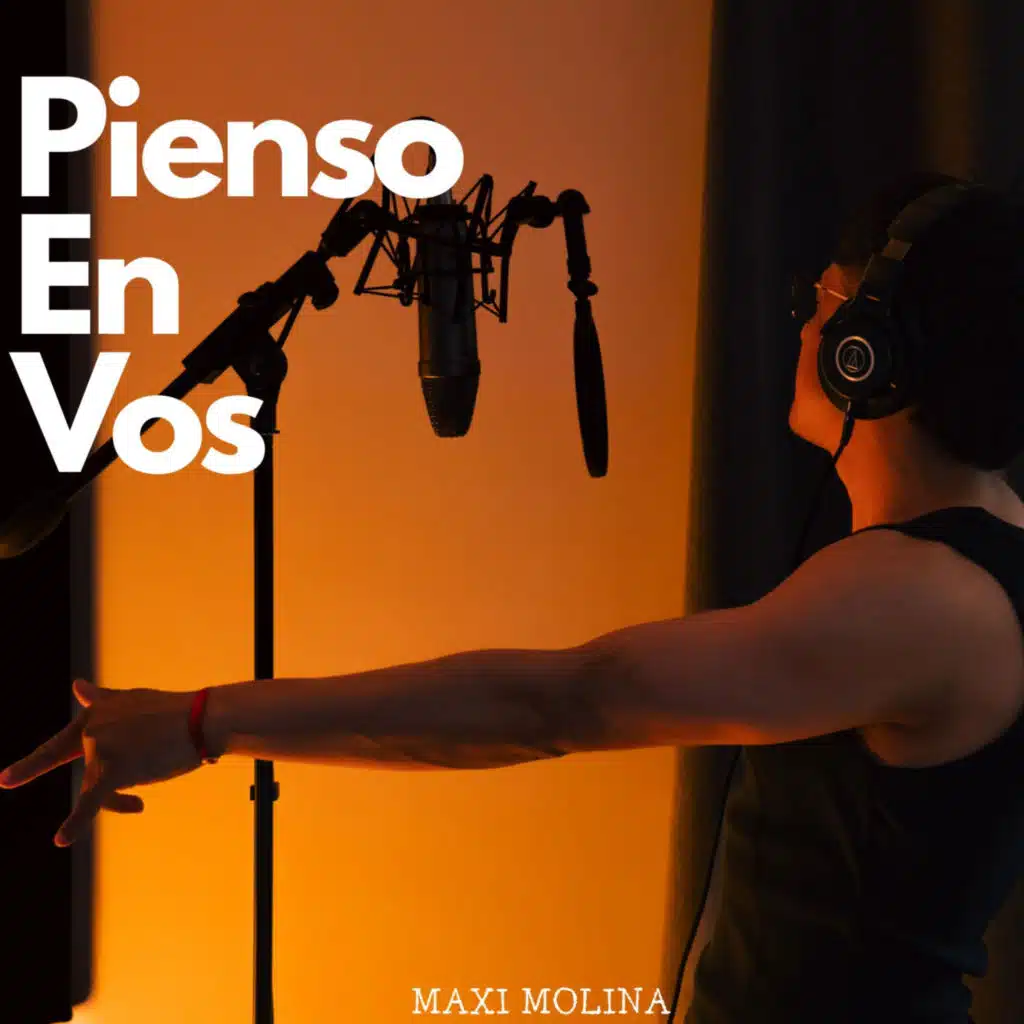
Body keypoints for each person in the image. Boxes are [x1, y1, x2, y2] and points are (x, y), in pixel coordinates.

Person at [3, 171, 1023, 1022]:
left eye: (824, 306)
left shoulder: (923, 601)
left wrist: (200, 720)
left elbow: (561, 702)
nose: (803, 330)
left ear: (867, 354)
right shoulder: (961, 557)